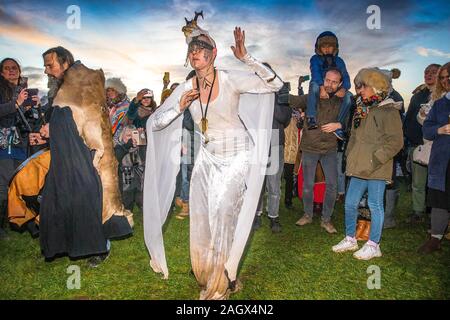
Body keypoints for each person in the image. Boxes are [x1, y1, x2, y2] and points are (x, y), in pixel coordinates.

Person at [143, 14, 283, 300]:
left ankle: (220, 286)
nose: (195, 53)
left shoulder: (231, 79)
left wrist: (247, 58)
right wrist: (178, 108)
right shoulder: (186, 87)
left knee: (223, 216)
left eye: (201, 49)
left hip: (236, 156)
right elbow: (153, 124)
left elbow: (275, 85)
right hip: (207, 159)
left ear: (214, 53)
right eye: (191, 50)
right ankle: (215, 274)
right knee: (203, 219)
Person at [38, 46, 133, 266]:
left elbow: (93, 120)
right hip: (64, 155)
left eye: (49, 65)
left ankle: (101, 246)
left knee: (92, 199)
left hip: (84, 154)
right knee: (63, 199)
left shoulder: (85, 80)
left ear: (65, 62)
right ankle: (70, 243)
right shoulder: (63, 87)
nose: (46, 71)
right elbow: (65, 116)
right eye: (44, 66)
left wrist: (96, 154)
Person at [332, 68, 403, 260]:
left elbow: (396, 141)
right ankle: (350, 238)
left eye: (362, 86)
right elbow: (354, 136)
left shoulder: (389, 110)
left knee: (375, 205)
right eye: (358, 86)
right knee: (350, 203)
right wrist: (349, 155)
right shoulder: (362, 108)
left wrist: (376, 158)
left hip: (377, 167)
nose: (359, 90)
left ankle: (373, 245)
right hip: (358, 166)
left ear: (375, 86)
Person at [291, 68, 348, 234]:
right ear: (323, 79)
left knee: (332, 185)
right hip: (310, 147)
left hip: (329, 148)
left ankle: (326, 219)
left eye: (334, 82)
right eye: (327, 80)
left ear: (340, 84)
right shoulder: (312, 97)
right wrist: (276, 90)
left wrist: (340, 125)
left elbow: (352, 119)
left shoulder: (342, 101)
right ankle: (307, 215)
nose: (330, 84)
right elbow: (294, 100)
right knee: (308, 185)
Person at [0, 58, 37, 239]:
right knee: (4, 183)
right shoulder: (1, 90)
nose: (11, 70)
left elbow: (28, 119)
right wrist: (16, 104)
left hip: (21, 142)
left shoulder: (23, 89)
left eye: (14, 68)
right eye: (7, 68)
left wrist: (33, 107)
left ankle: (24, 221)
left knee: (21, 182)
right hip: (3, 142)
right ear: (1, 72)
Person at [418, 62, 450, 254]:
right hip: (442, 159)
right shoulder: (439, 104)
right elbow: (427, 129)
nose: (446, 81)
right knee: (440, 199)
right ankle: (435, 238)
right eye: (443, 78)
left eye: (449, 77)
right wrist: (440, 129)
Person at [403, 64, 441, 223]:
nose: (429, 75)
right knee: (417, 182)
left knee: (436, 182)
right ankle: (418, 212)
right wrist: (407, 138)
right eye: (427, 72)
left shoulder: (444, 95)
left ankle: (436, 212)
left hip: (438, 146)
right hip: (417, 144)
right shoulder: (418, 95)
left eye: (433, 72)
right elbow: (410, 117)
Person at [253, 76, 292, 233]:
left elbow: (284, 118)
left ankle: (273, 216)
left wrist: (274, 98)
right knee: (257, 182)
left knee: (274, 182)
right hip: (257, 141)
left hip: (275, 141)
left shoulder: (281, 96)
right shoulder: (252, 94)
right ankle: (256, 214)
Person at [306, 31, 352, 141]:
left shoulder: (339, 61)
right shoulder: (315, 59)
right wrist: (322, 88)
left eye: (330, 46)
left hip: (335, 89)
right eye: (324, 46)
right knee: (313, 85)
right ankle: (311, 117)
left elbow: (346, 78)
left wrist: (344, 88)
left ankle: (338, 125)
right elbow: (315, 74)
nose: (327, 49)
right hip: (320, 86)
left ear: (334, 48)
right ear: (319, 48)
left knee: (349, 96)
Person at [106, 77, 130, 145]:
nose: (109, 93)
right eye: (108, 90)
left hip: (121, 143)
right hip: (112, 141)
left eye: (112, 90)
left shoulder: (125, 105)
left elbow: (116, 126)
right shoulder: (112, 106)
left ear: (118, 90)